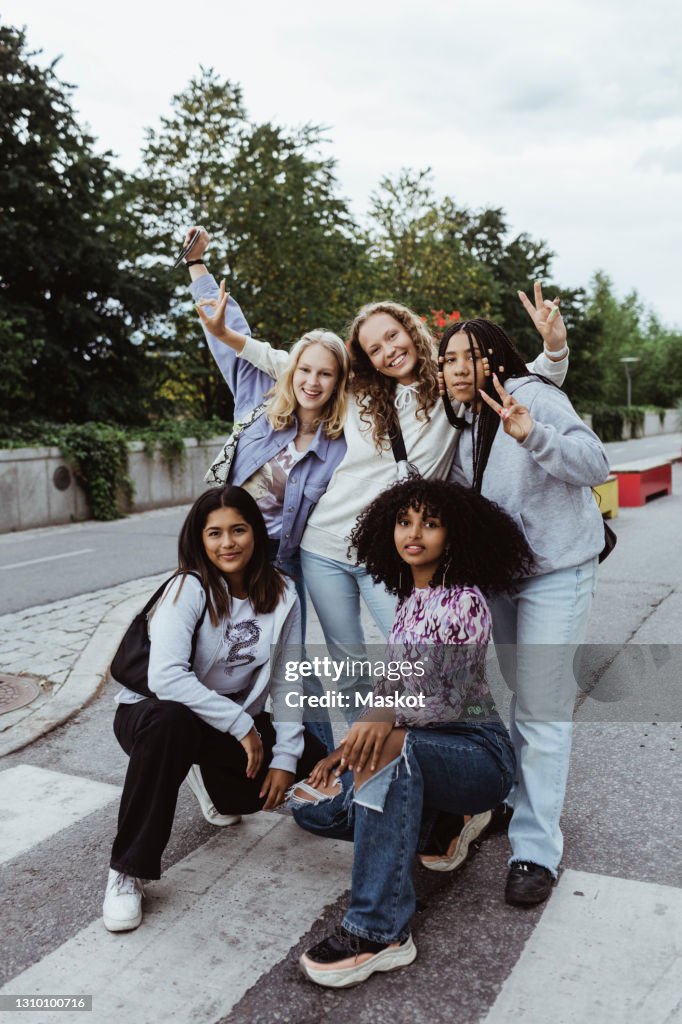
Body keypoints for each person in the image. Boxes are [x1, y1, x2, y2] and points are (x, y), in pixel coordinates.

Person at [216, 279, 569, 703]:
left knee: (418, 663)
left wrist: (554, 348)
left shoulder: (450, 390)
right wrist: (224, 335)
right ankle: (363, 768)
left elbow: (525, 383)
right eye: (374, 348)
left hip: (393, 550)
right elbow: (283, 363)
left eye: (392, 336)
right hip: (324, 548)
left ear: (410, 329)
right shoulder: (356, 395)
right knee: (349, 674)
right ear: (367, 360)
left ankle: (443, 754)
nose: (388, 350)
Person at [290, 478, 531, 987]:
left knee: (387, 754)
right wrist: (351, 742)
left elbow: (440, 695)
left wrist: (376, 732)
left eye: (430, 522)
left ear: (454, 535)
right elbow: (392, 684)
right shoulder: (410, 601)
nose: (413, 533)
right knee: (315, 813)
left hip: (477, 754)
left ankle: (379, 931)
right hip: (428, 753)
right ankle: (447, 821)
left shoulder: (462, 601)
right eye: (404, 521)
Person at [439, 316, 609, 906]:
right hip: (502, 578)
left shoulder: (532, 394)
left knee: (541, 705)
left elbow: (596, 464)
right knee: (520, 688)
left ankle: (536, 851)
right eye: (450, 359)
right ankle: (515, 793)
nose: (460, 368)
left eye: (472, 356)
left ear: (497, 359)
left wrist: (533, 434)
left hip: (557, 571)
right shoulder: (459, 422)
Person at [103, 485, 325, 933]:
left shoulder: (283, 594)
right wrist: (243, 726)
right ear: (199, 540)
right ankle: (127, 870)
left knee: (300, 767)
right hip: (153, 715)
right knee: (173, 724)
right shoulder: (188, 588)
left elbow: (289, 680)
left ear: (256, 534)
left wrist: (283, 758)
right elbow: (166, 678)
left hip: (223, 719)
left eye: (239, 530)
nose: (228, 543)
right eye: (215, 533)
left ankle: (209, 779)